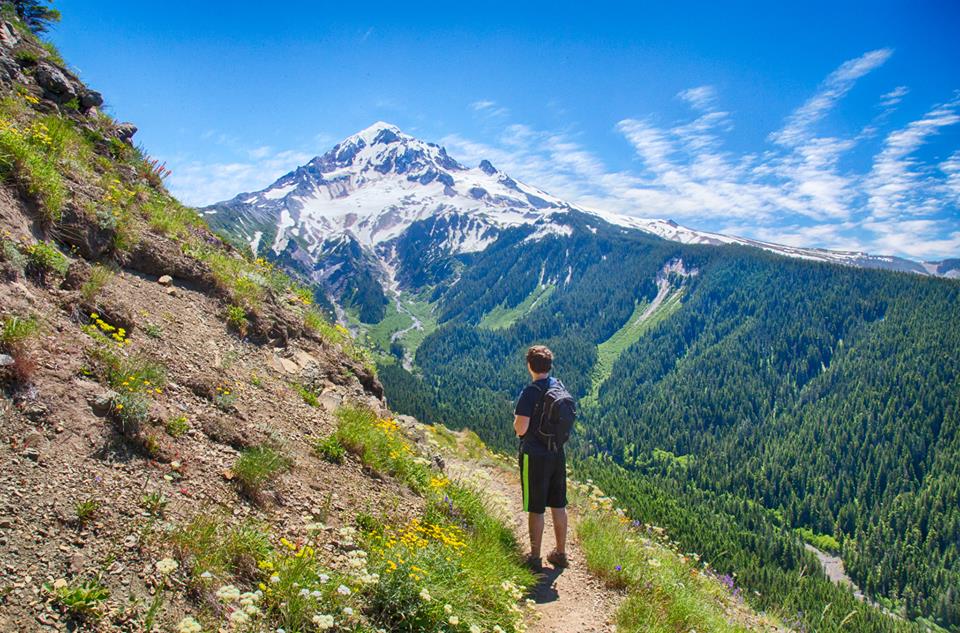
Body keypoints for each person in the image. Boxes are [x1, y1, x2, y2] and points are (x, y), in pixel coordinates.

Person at [513, 345, 569, 571]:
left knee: (536, 507)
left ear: (530, 366)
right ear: (549, 366)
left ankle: (535, 558)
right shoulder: (558, 386)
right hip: (557, 452)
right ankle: (560, 553)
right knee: (558, 504)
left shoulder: (530, 392)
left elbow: (521, 429)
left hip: (535, 455)